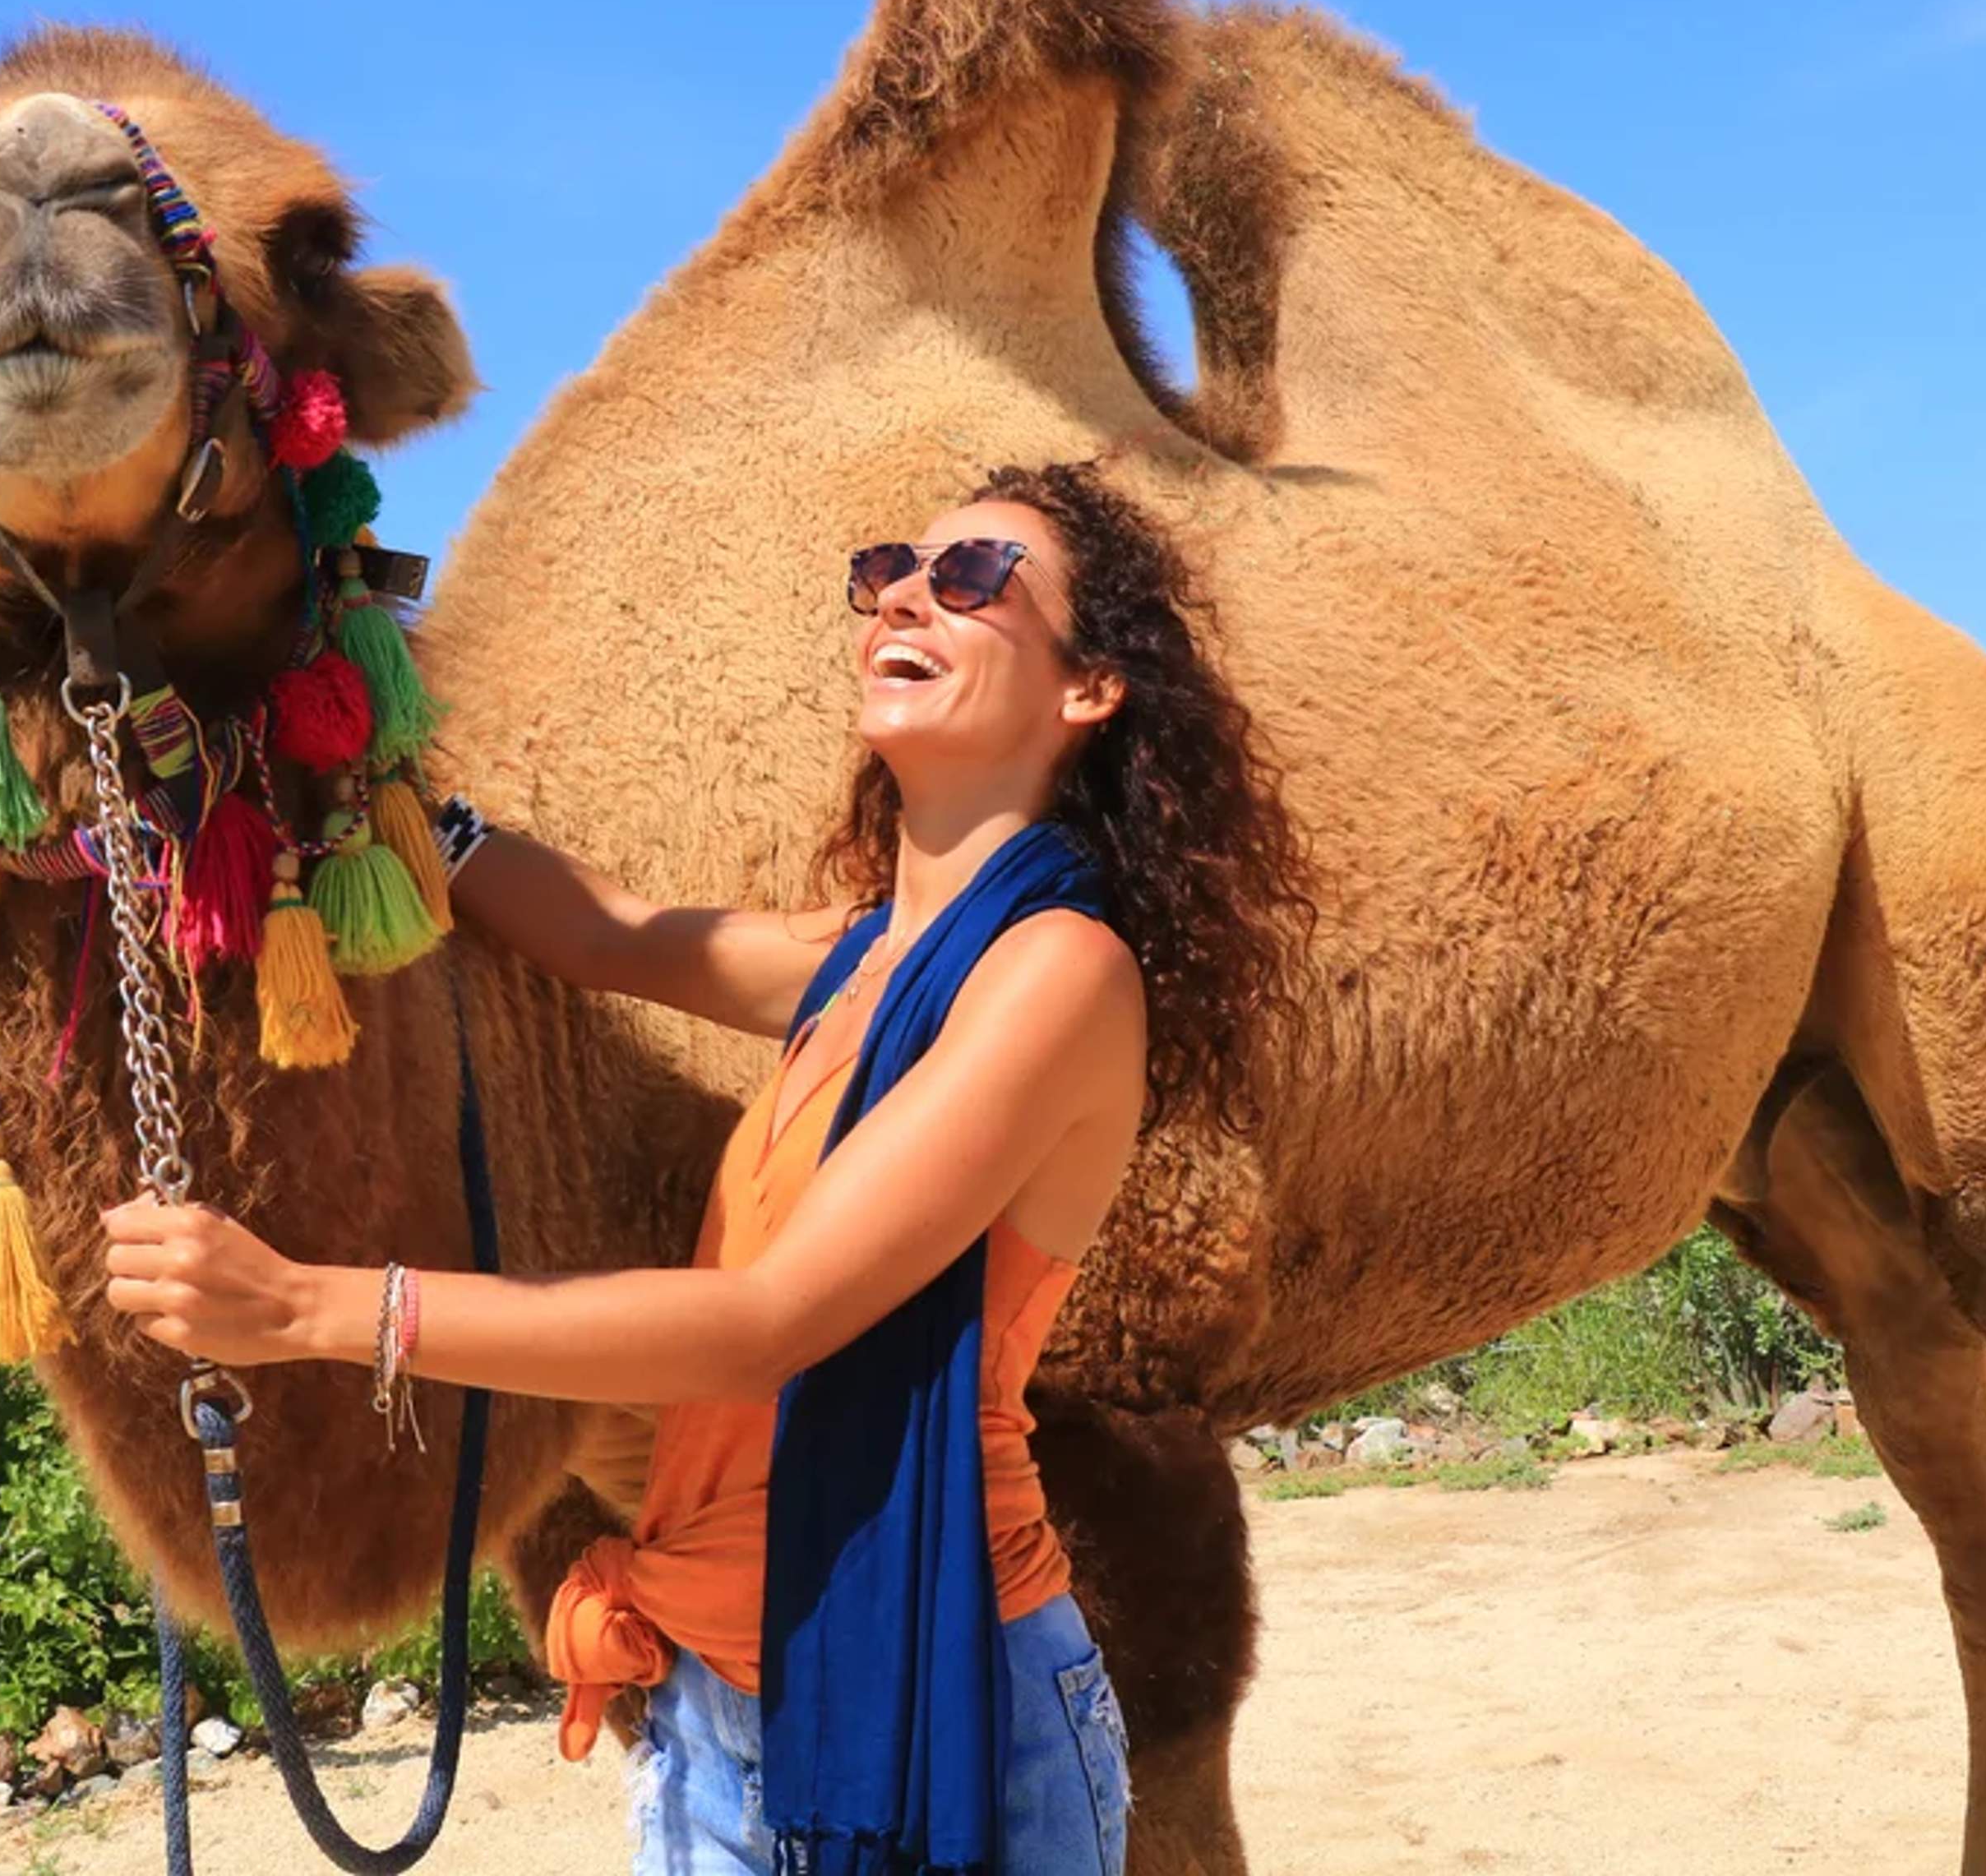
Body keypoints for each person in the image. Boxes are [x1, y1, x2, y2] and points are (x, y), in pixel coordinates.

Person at [100, 460, 1310, 1873]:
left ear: (1088, 688)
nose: (909, 594)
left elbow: (766, 1327)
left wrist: (312, 1309)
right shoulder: (863, 960)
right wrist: (374, 789)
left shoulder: (1054, 976)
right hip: (720, 1694)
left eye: (974, 577)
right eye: (888, 573)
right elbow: (613, 935)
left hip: (935, 1693)